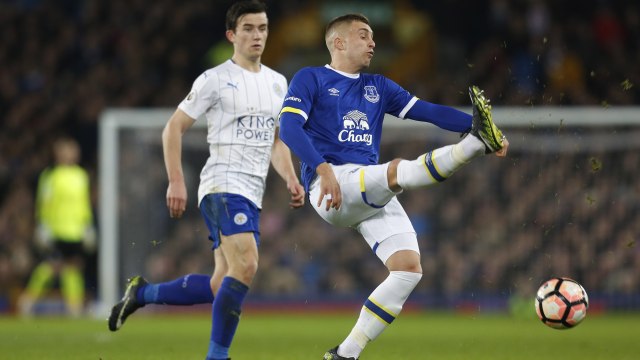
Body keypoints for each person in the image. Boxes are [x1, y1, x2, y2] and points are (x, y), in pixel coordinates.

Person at [278, 13, 509, 360]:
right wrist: (322, 169)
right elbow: (289, 128)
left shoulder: (378, 86)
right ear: (338, 42)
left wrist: (476, 123)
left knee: (407, 269)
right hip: (331, 187)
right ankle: (476, 144)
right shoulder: (310, 78)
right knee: (397, 170)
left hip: (364, 190)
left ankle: (345, 352)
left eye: (372, 37)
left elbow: (427, 111)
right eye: (364, 36)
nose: (373, 42)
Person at [107, 1, 305, 359]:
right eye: (248, 28)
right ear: (232, 35)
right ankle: (217, 357)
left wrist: (290, 176)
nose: (256, 35)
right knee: (247, 265)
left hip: (252, 192)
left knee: (221, 283)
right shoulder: (214, 79)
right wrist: (175, 181)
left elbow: (275, 140)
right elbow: (173, 129)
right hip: (222, 185)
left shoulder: (278, 83)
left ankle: (141, 294)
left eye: (262, 28)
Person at [18, 136, 96, 317]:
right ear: (58, 154)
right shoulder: (51, 176)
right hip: (57, 229)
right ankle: (27, 301)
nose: (71, 154)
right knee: (51, 266)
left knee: (74, 267)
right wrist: (42, 226)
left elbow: (84, 204)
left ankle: (74, 308)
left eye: (74, 150)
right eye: (67, 150)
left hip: (76, 230)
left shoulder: (81, 175)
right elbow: (43, 203)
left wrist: (88, 226)